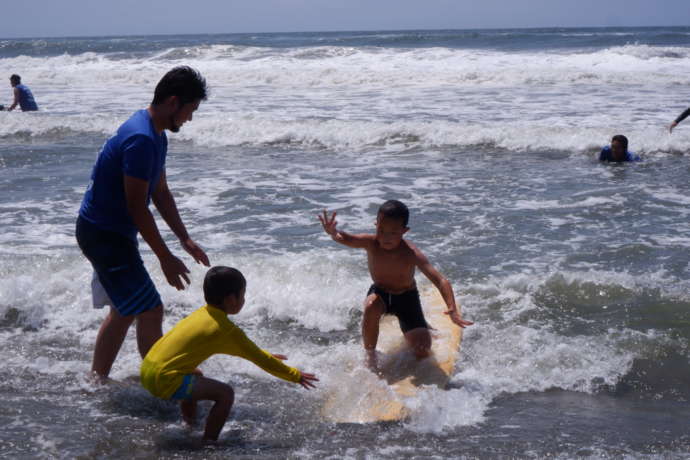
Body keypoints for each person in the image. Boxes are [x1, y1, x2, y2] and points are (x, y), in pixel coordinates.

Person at [76, 66, 210, 380]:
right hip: (105, 235)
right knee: (150, 308)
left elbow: (160, 192)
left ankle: (96, 381)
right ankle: (167, 382)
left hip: (106, 232)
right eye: (191, 110)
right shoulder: (141, 139)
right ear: (174, 102)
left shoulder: (156, 135)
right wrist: (165, 258)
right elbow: (137, 208)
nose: (190, 119)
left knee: (124, 309)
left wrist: (184, 239)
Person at [141, 266, 318, 442]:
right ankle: (209, 442)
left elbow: (249, 351)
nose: (243, 299)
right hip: (164, 380)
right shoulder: (225, 329)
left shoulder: (202, 314)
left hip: (148, 370)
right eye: (243, 295)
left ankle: (189, 424)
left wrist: (266, 355)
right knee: (225, 394)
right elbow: (258, 358)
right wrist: (295, 375)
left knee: (196, 374)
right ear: (232, 299)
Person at [318, 200, 473, 369]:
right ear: (376, 225)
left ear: (404, 231)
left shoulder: (411, 253)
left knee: (422, 350)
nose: (385, 237)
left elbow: (440, 280)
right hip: (381, 294)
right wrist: (333, 233)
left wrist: (452, 308)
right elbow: (346, 238)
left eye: (393, 232)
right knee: (370, 305)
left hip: (407, 299)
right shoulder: (371, 243)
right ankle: (370, 354)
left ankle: (422, 327)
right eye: (381, 230)